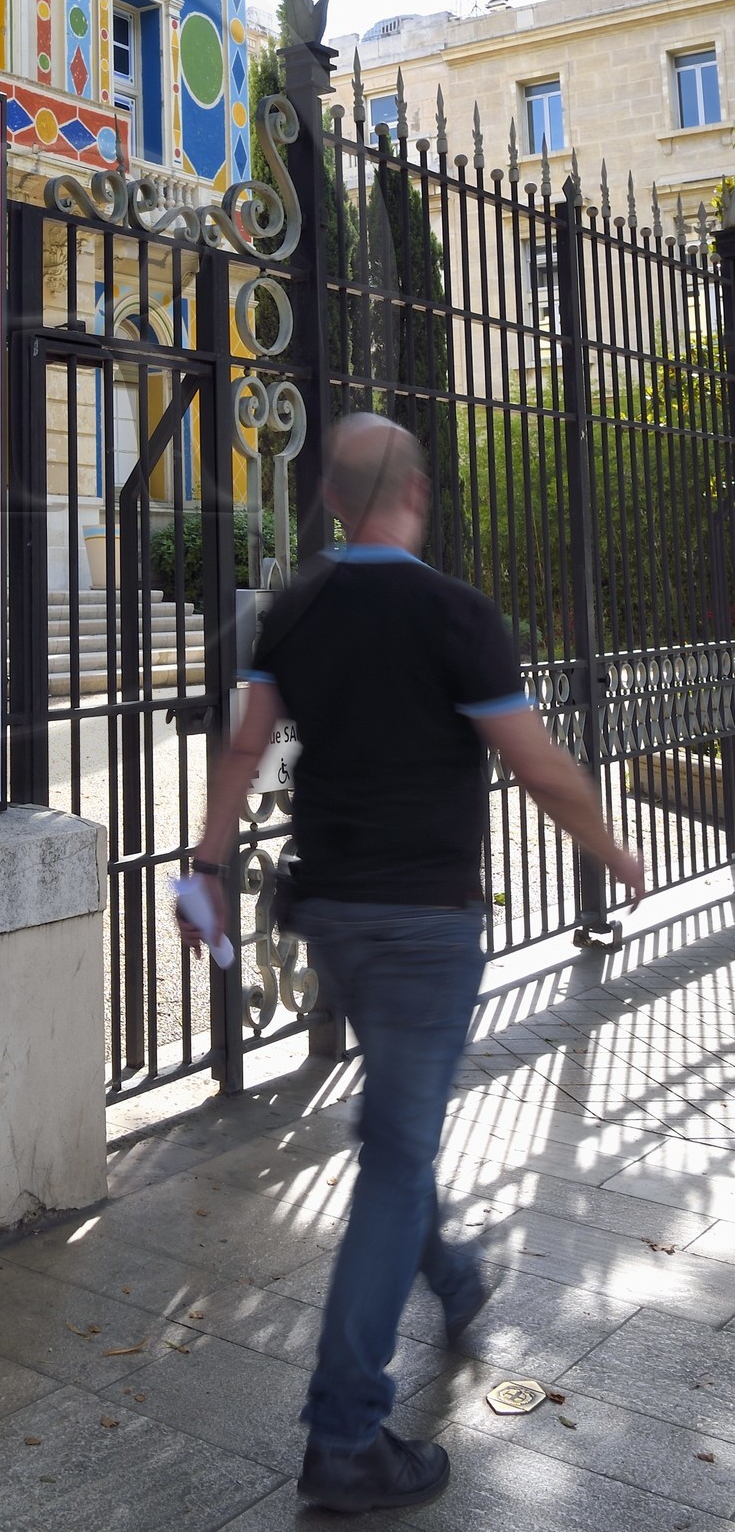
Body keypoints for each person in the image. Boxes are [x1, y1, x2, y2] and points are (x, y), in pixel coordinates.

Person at [182, 412, 644, 1516]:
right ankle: (343, 1431)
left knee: (398, 1124)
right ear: (415, 492)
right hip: (425, 922)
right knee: (396, 1151)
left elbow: (244, 748)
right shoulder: (455, 613)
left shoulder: (292, 607)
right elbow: (533, 764)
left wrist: (203, 862)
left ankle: (452, 1271)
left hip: (332, 914)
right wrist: (612, 844)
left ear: (334, 500)